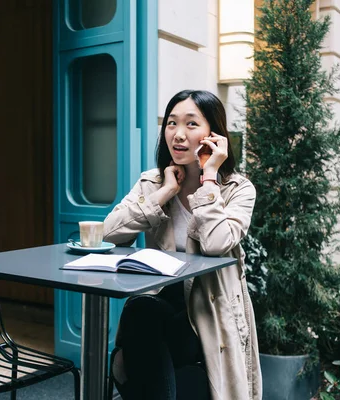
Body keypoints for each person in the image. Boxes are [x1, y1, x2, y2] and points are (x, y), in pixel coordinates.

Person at [103, 90, 262, 400]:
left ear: (213, 134)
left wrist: (210, 176)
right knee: (142, 312)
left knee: (143, 342)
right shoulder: (152, 182)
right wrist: (164, 193)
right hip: (160, 302)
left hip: (208, 309)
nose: (178, 134)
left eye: (191, 124)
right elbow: (110, 232)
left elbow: (217, 243)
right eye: (171, 123)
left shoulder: (238, 190)